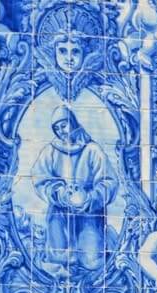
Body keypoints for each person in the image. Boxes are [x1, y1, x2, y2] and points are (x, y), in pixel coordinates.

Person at [31, 105, 118, 274]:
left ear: (73, 122)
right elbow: (39, 179)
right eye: (56, 128)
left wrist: (88, 198)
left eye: (63, 125)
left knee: (92, 262)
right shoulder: (50, 151)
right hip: (60, 212)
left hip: (89, 214)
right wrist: (59, 193)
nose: (61, 131)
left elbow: (109, 181)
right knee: (59, 258)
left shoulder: (92, 150)